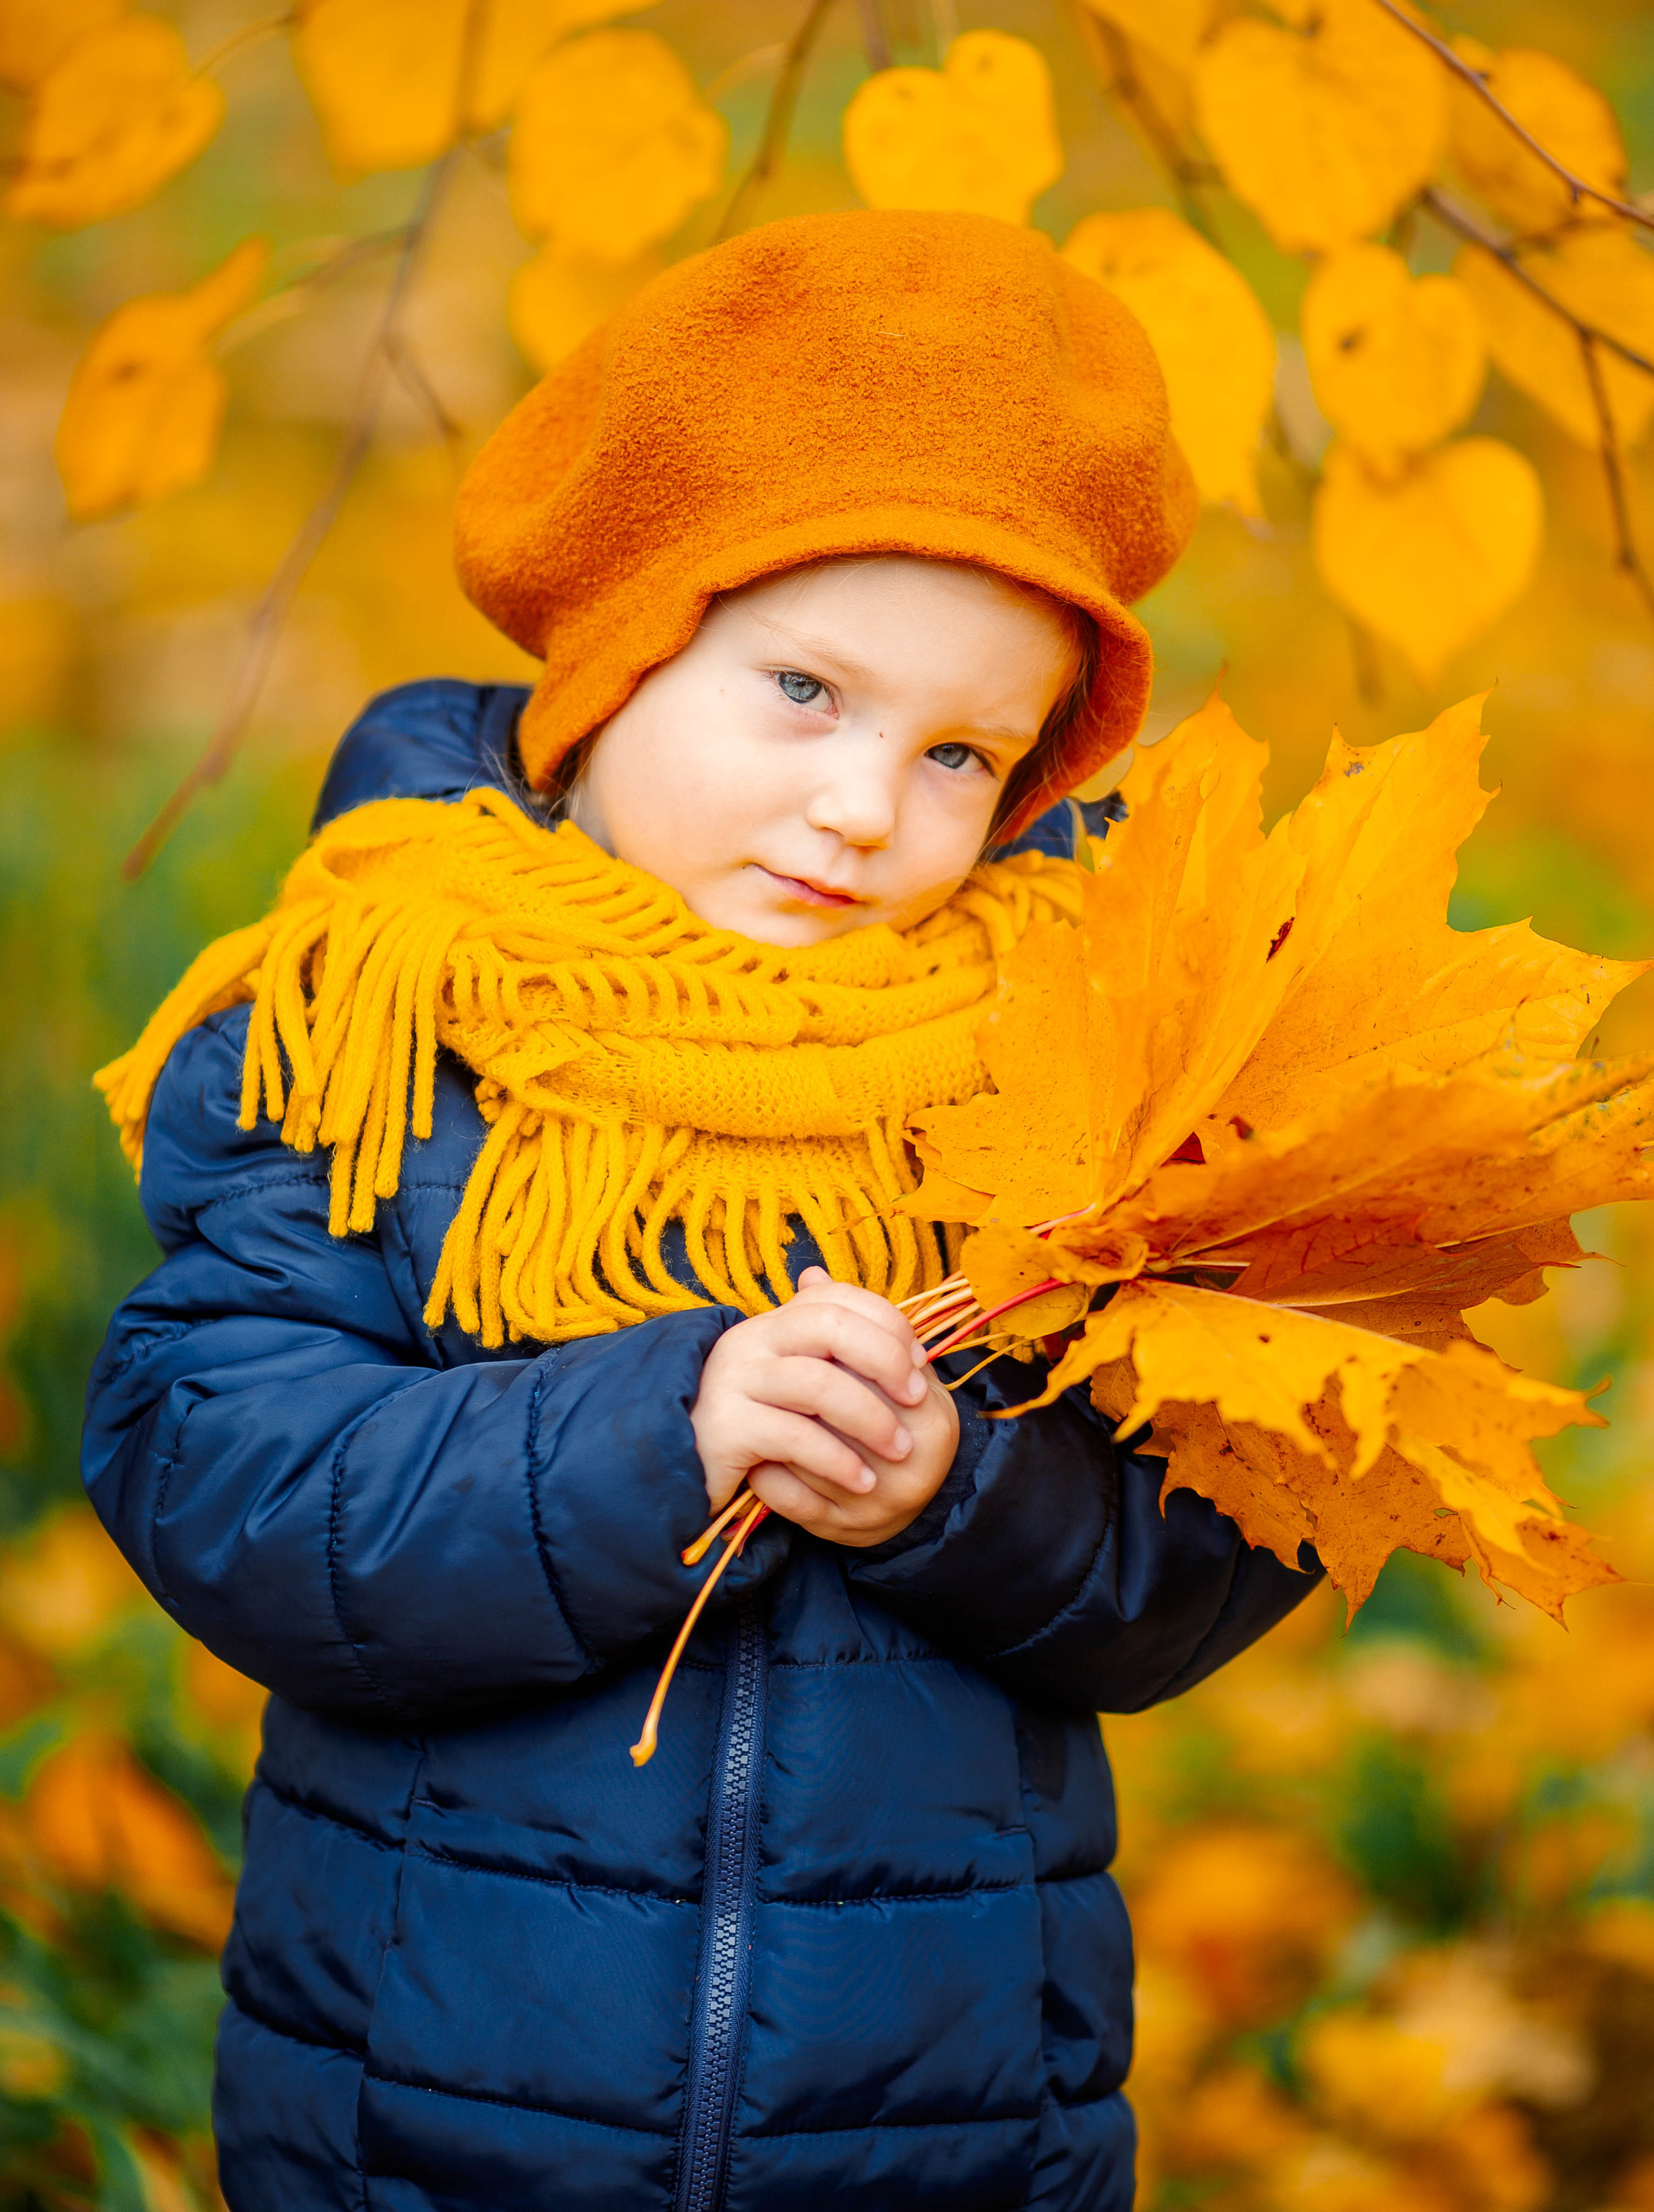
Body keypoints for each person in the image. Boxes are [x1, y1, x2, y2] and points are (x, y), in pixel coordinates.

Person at [86, 210, 1318, 2212]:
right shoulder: (390, 1015)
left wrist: (964, 1494)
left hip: (943, 2120)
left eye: (958, 754)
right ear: (622, 646)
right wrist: (655, 1440)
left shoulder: (1077, 1064)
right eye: (807, 691)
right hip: (434, 2101)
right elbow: (213, 1464)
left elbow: (1217, 1543)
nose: (864, 807)